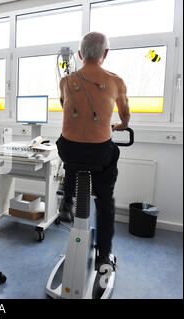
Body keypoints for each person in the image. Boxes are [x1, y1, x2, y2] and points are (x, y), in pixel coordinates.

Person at [57, 32, 130, 271]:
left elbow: (63, 105)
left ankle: (67, 200)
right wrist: (119, 126)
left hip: (69, 151)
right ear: (105, 54)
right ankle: (103, 255)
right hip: (98, 154)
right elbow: (125, 116)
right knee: (105, 200)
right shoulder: (116, 81)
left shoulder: (66, 81)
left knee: (71, 159)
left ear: (79, 55)